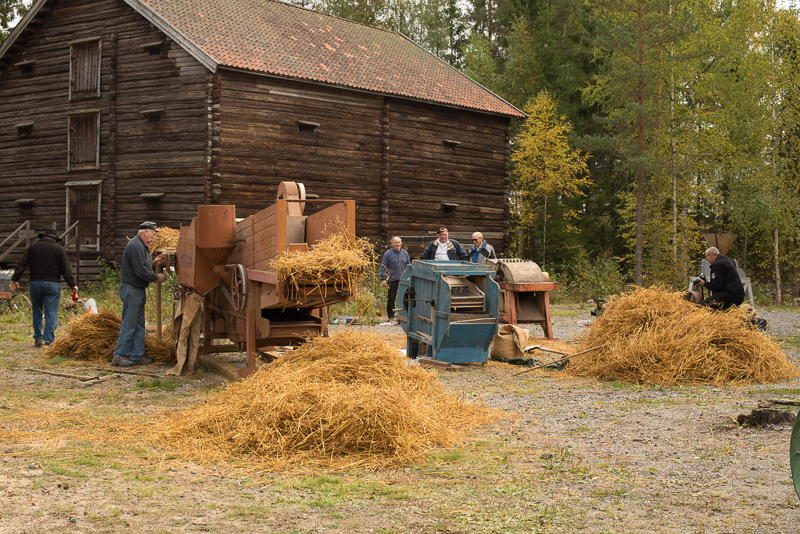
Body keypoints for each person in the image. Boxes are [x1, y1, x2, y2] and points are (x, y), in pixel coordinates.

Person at [9, 228, 78, 347]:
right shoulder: (58, 249)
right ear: (55, 239)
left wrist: (15, 279)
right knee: (51, 312)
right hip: (52, 284)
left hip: (35, 283)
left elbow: (22, 264)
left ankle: (38, 338)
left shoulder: (32, 247)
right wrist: (72, 284)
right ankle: (48, 340)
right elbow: (66, 269)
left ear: (43, 237)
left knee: (37, 311)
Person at [111, 221, 167, 367]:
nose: (154, 237)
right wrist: (157, 277)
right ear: (145, 232)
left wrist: (154, 262)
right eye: (153, 234)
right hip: (132, 289)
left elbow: (143, 266)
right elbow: (140, 272)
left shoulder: (142, 246)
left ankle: (137, 355)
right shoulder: (136, 246)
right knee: (129, 323)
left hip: (137, 289)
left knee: (139, 324)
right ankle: (119, 355)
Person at [380, 237, 411, 322]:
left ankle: (405, 316)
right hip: (392, 279)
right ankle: (391, 317)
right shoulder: (388, 254)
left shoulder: (405, 253)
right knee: (391, 298)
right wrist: (384, 279)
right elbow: (384, 266)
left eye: (399, 242)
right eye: (396, 243)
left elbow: (409, 265)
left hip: (403, 280)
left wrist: (409, 276)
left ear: (401, 243)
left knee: (405, 298)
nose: (398, 244)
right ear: (392, 244)